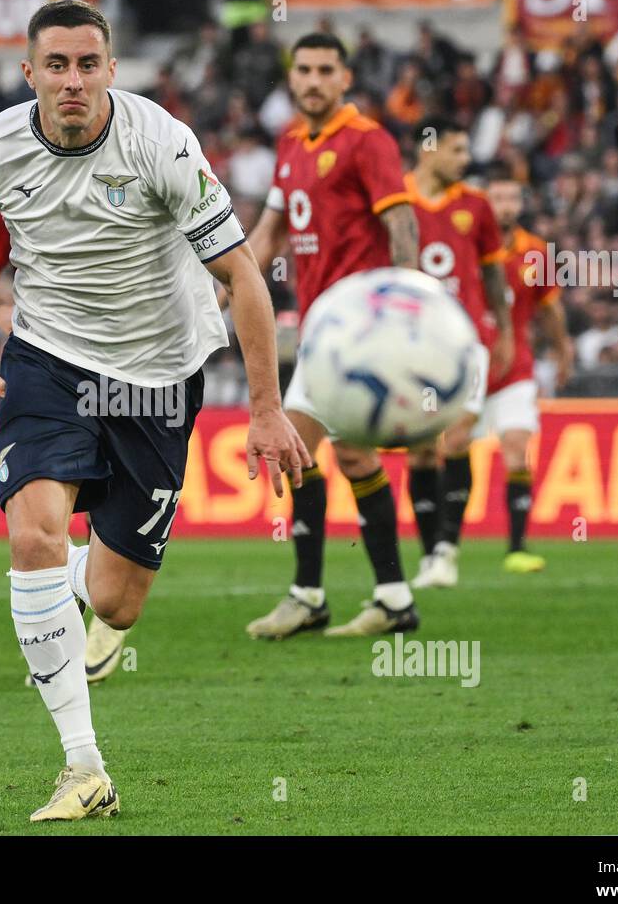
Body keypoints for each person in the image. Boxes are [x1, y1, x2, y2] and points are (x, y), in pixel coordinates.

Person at [0, 0, 309, 822]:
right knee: (34, 536)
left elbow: (242, 278)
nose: (73, 80)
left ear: (112, 70)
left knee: (116, 600)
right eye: (56, 65)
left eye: (89, 64)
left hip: (159, 378)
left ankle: (89, 611)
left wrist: (266, 408)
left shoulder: (162, 141)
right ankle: (82, 766)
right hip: (47, 365)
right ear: (30, 74)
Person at [241, 32, 424, 641]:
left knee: (296, 450)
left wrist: (406, 308)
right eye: (304, 69)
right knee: (336, 456)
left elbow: (400, 221)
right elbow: (269, 231)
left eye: (325, 70)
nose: (313, 80)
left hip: (362, 328)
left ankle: (310, 594)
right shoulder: (290, 143)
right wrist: (220, 289)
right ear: (291, 78)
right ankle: (392, 599)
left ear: (346, 78)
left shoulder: (368, 140)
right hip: (320, 329)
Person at [0, 207, 128, 685]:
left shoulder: (147, 165)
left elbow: (218, 262)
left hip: (139, 370)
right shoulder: (21, 179)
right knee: (42, 513)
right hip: (51, 374)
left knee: (113, 506)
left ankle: (105, 609)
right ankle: (69, 626)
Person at [403, 117, 512, 590]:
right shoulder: (395, 199)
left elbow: (492, 273)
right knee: (421, 452)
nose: (466, 161)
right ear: (429, 149)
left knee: (457, 438)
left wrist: (504, 330)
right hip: (411, 343)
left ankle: (448, 546)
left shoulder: (477, 206)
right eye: (458, 150)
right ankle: (431, 556)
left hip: (466, 342)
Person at [483, 166, 573, 572]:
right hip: (466, 370)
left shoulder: (535, 250)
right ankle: (441, 547)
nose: (505, 207)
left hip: (516, 367)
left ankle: (517, 546)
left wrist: (563, 349)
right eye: (498, 198)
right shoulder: (465, 244)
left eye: (512, 199)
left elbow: (549, 307)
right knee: (445, 451)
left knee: (517, 450)